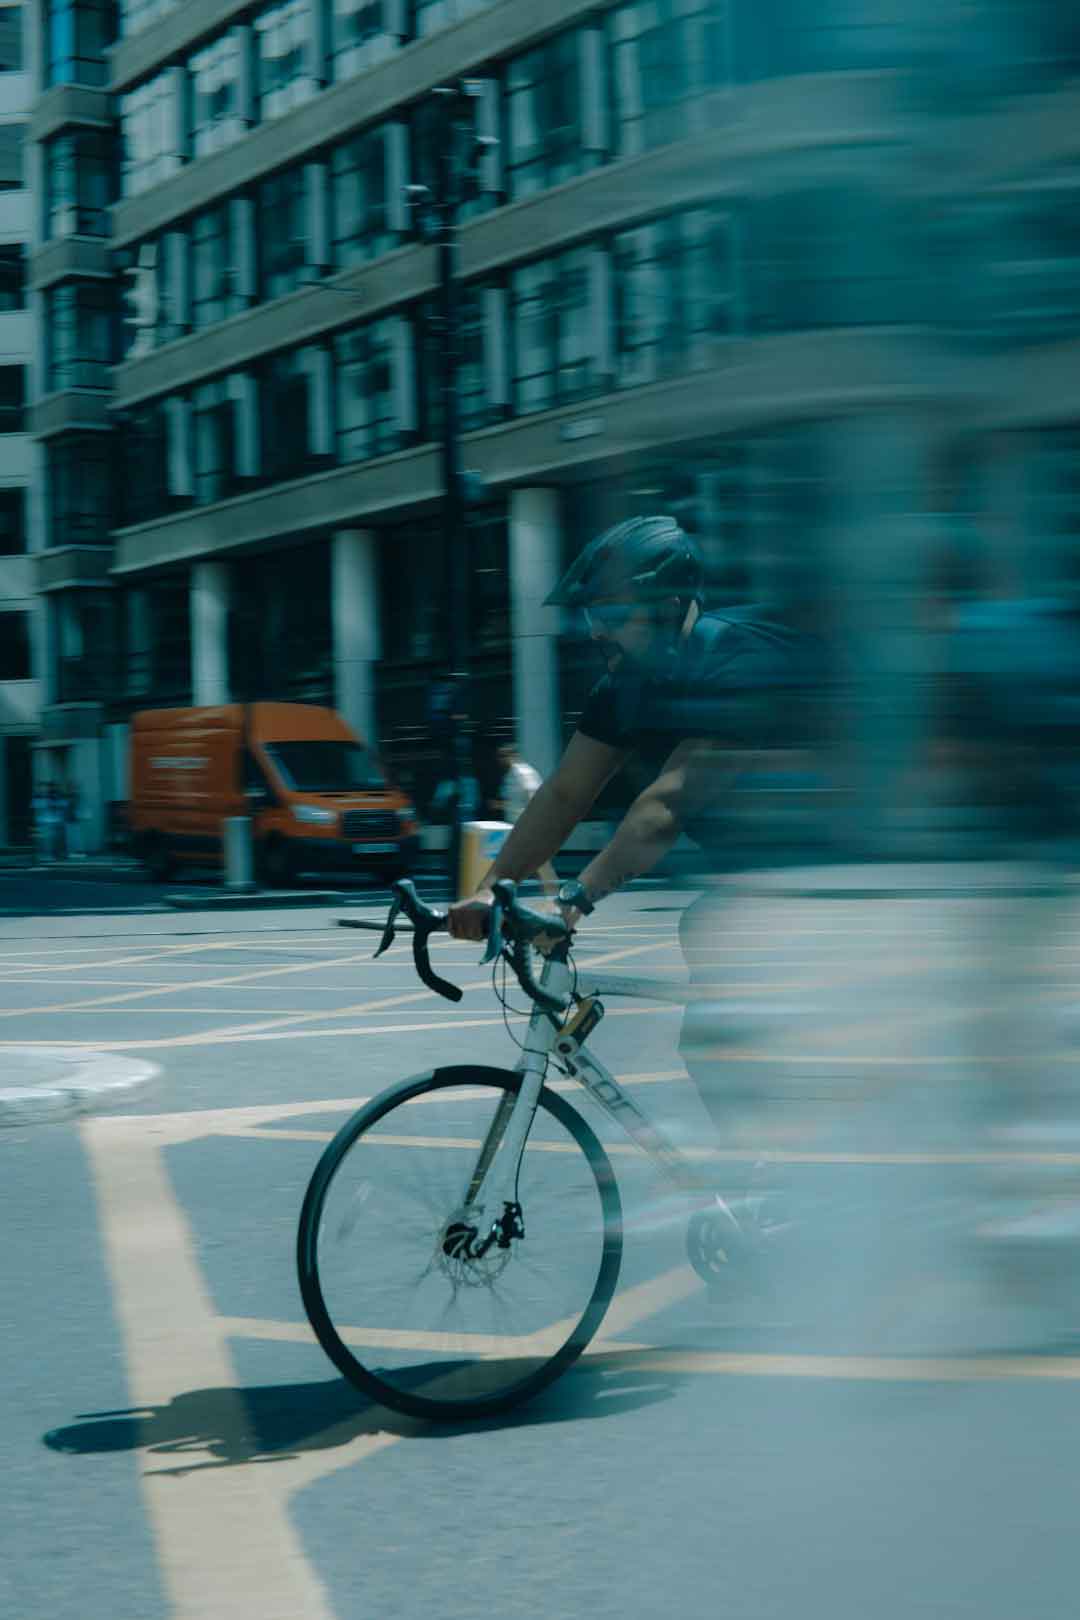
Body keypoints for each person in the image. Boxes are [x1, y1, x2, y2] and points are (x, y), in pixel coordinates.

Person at [448, 515, 819, 1176]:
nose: (595, 629)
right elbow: (564, 794)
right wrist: (490, 888)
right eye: (592, 613)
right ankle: (774, 1177)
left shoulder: (738, 660)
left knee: (717, 955)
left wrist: (574, 898)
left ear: (670, 606)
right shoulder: (626, 684)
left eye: (613, 612)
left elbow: (666, 806)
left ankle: (793, 1179)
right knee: (716, 1015)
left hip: (841, 868)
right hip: (763, 880)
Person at [493, 741, 558, 895]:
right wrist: (500, 805)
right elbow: (514, 801)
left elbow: (533, 798)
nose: (500, 760)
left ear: (512, 755)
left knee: (540, 865)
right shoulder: (510, 775)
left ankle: (553, 896)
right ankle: (504, 897)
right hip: (516, 827)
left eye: (503, 756)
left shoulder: (523, 773)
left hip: (528, 827)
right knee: (526, 865)